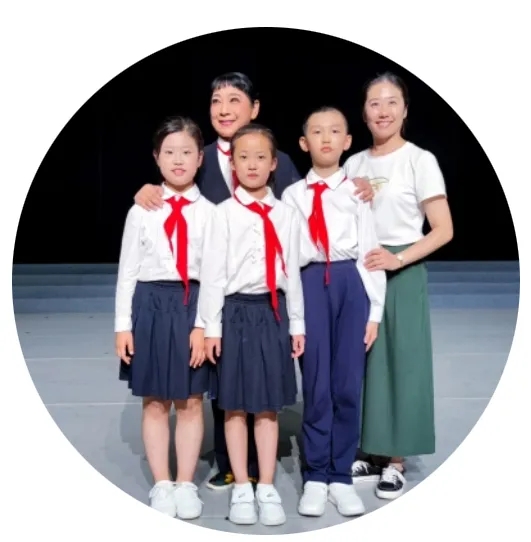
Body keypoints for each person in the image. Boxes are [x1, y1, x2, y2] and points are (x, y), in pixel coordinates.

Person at [132, 71, 375, 491]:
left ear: (255, 108)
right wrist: (145, 191)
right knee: (219, 382)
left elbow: (306, 205)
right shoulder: (199, 156)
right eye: (216, 101)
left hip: (269, 294)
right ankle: (229, 464)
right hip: (210, 291)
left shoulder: (274, 158)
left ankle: (274, 470)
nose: (224, 109)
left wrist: (359, 184)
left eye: (235, 100)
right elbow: (174, 187)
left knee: (267, 382)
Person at [344, 72, 453, 500]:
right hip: (362, 269)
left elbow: (443, 229)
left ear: (405, 110)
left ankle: (396, 459)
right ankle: (370, 449)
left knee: (403, 363)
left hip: (403, 269)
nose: (383, 111)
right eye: (374, 103)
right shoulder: (354, 163)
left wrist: (399, 258)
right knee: (366, 361)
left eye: (392, 102)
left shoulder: (418, 160)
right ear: (364, 113)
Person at [281, 106, 387, 518]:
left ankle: (341, 475)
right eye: (317, 132)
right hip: (310, 284)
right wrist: (295, 317)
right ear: (304, 143)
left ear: (347, 141)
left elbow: (371, 251)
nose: (326, 138)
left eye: (335, 131)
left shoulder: (358, 193)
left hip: (350, 283)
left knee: (347, 384)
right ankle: (315, 475)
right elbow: (289, 258)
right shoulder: (293, 196)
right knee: (316, 385)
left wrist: (374, 310)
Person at [199, 124, 305, 526]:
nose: (252, 164)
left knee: (267, 407)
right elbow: (212, 274)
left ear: (274, 163)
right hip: (235, 313)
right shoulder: (222, 214)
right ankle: (242, 485)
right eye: (243, 157)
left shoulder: (286, 214)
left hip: (272, 311)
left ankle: (267, 485)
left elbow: (292, 271)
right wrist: (211, 327)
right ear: (232, 165)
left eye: (261, 157)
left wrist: (297, 324)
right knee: (234, 405)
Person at [114, 116, 215, 519]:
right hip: (150, 305)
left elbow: (214, 276)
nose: (178, 160)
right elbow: (127, 271)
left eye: (186, 152)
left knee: (190, 400)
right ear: (156, 157)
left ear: (200, 158)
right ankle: (162, 482)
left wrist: (203, 325)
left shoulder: (210, 213)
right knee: (155, 400)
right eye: (169, 152)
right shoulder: (141, 211)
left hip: (192, 305)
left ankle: (186, 483)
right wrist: (122, 325)